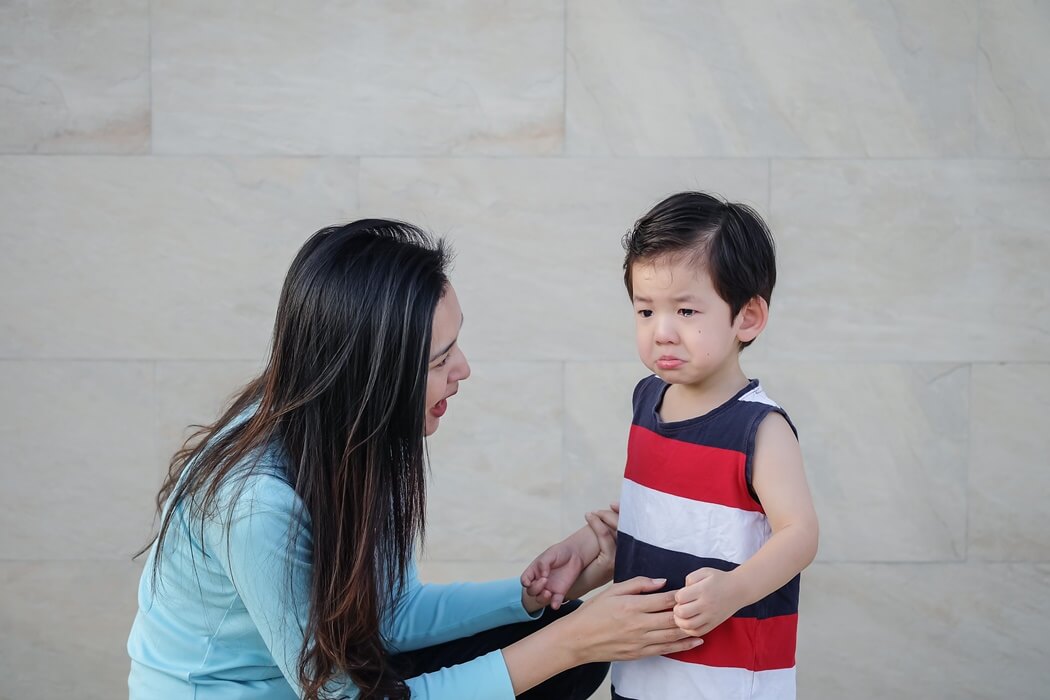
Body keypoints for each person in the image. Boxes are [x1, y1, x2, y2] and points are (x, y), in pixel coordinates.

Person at [127, 219, 704, 700]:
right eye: (439, 359)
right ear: (368, 376)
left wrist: (529, 598)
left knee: (558, 637)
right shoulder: (256, 503)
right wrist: (575, 640)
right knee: (565, 647)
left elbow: (390, 616)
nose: (464, 370)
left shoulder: (353, 439)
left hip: (319, 681)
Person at [522, 193, 819, 699]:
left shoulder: (759, 428)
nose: (662, 332)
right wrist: (580, 549)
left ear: (746, 318)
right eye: (645, 310)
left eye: (685, 309)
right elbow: (655, 515)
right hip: (645, 669)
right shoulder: (647, 402)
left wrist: (732, 591)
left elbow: (800, 534)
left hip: (725, 680)